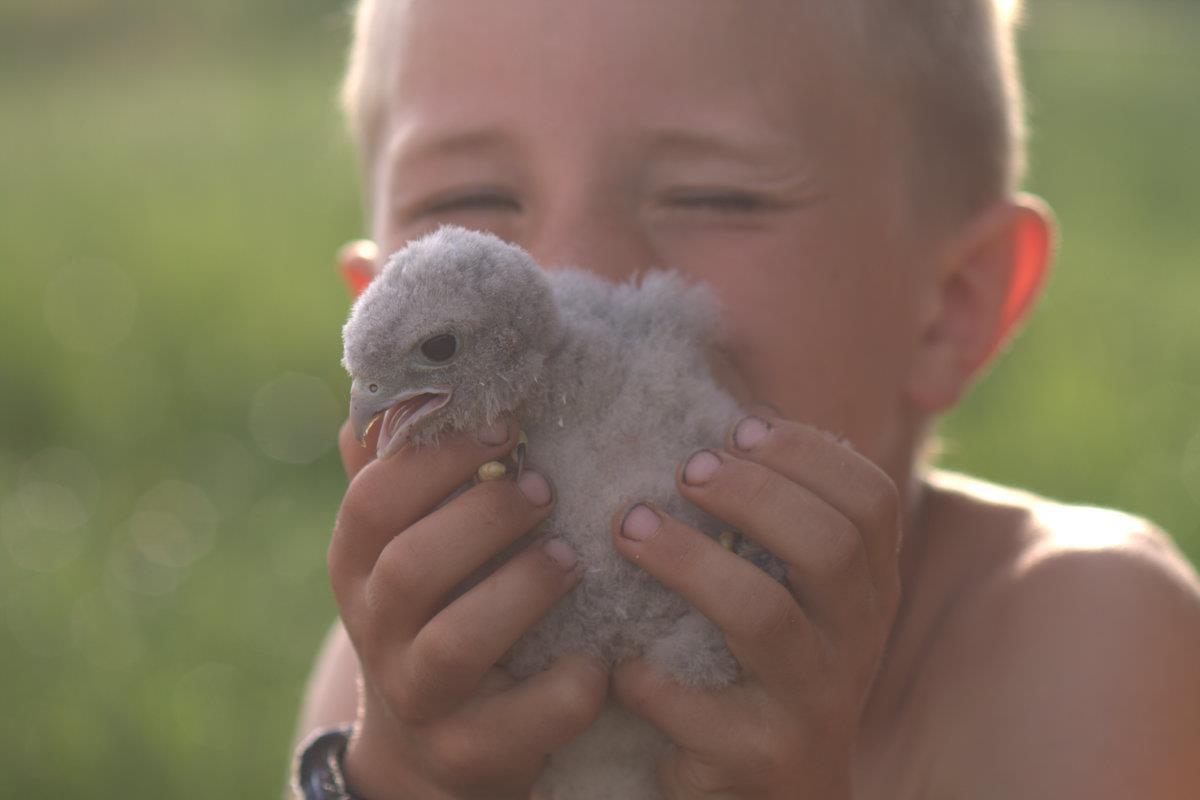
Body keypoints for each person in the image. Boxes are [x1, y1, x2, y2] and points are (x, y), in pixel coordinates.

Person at [292, 1, 1200, 797]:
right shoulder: (396, 683)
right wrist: (404, 785)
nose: (571, 283)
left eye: (715, 195)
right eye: (473, 199)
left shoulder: (1084, 643)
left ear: (949, 309)